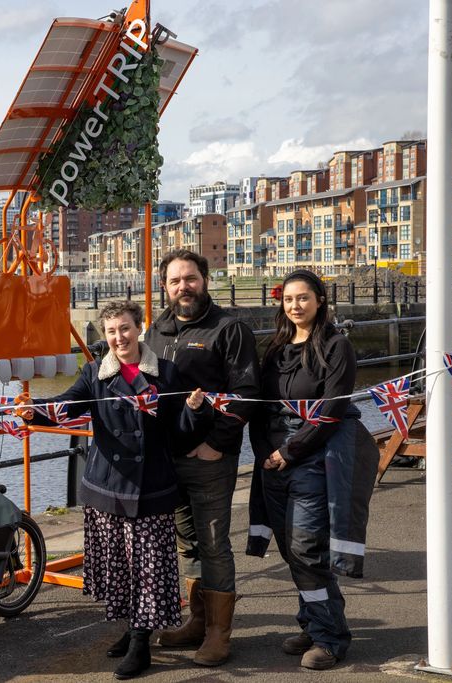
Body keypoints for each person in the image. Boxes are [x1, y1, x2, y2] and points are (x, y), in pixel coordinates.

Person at [20, 300, 206, 680]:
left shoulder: (167, 373)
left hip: (151, 487)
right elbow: (66, 406)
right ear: (104, 336)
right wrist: (32, 410)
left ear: (139, 327)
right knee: (119, 567)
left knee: (149, 569)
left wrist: (195, 409)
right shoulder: (94, 374)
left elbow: (182, 433)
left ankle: (141, 643)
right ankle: (130, 629)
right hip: (106, 487)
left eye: (125, 328)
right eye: (111, 331)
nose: (119, 337)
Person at [247, 269, 378, 670]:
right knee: (291, 549)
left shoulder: (336, 347)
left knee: (306, 549)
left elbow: (332, 408)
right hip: (273, 459)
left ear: (320, 300)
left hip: (313, 459)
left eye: (303, 298)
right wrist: (266, 453)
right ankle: (314, 620)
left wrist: (290, 451)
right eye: (288, 299)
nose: (295, 306)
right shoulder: (274, 350)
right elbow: (259, 406)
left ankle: (331, 638)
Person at [146, 249, 260, 667]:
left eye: (190, 278)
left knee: (213, 544)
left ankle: (218, 634)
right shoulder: (157, 329)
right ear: (165, 286)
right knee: (186, 542)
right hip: (168, 456)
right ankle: (196, 622)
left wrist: (218, 443)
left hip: (210, 457)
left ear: (205, 279)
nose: (183, 287)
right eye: (175, 281)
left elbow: (247, 394)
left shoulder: (229, 330)